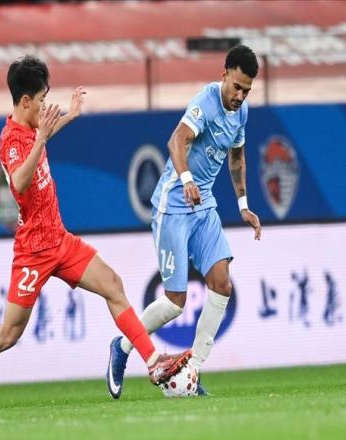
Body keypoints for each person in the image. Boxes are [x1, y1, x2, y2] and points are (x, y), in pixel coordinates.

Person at [0, 55, 191, 411]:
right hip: (32, 252)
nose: (45, 106)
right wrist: (41, 138)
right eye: (42, 100)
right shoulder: (10, 138)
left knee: (113, 285)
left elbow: (43, 134)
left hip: (60, 240)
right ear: (25, 101)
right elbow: (19, 182)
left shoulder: (32, 128)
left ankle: (153, 363)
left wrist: (69, 116)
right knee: (9, 334)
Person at [107, 45, 262, 398]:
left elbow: (237, 157)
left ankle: (193, 370)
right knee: (175, 302)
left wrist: (243, 204)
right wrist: (187, 179)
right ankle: (123, 345)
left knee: (222, 283)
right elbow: (176, 141)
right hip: (174, 205)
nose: (240, 96)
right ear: (224, 75)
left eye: (247, 90)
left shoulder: (241, 112)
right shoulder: (205, 102)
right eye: (237, 87)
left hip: (204, 205)